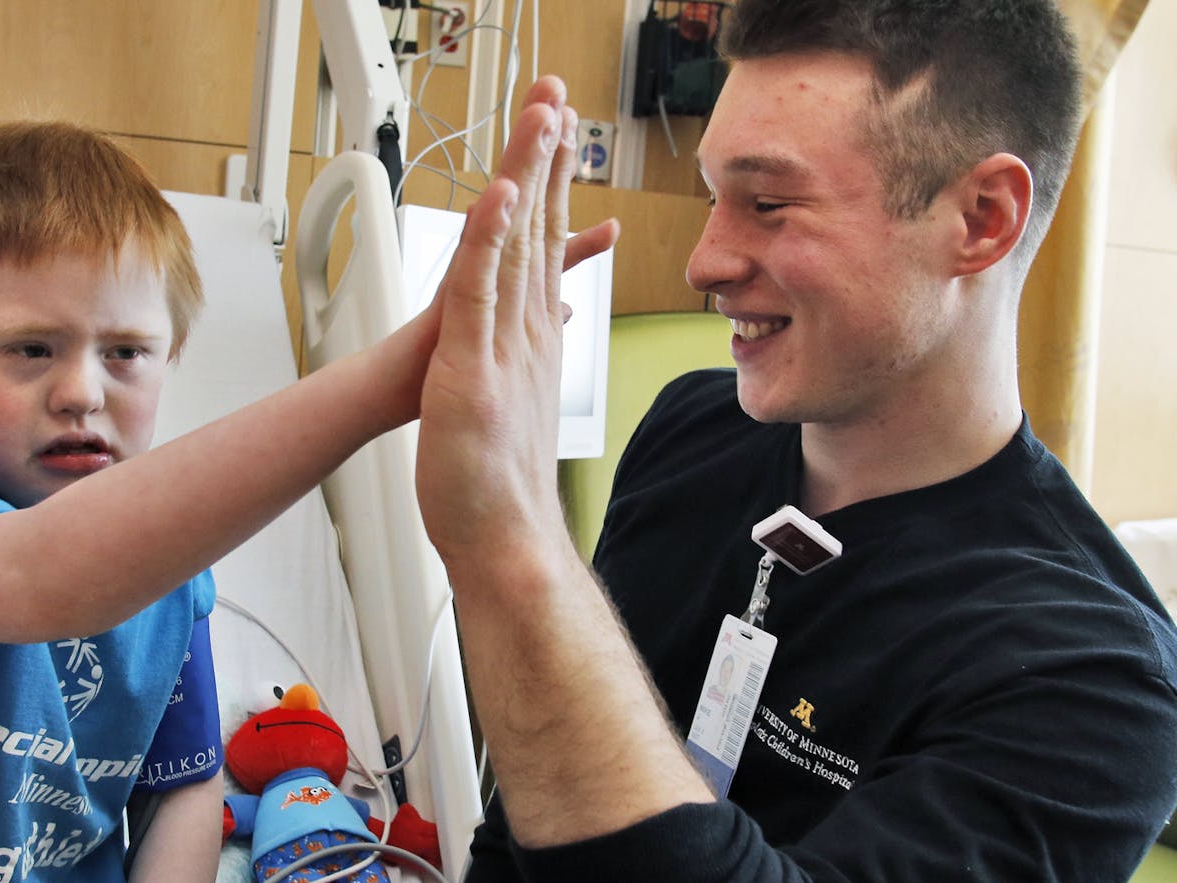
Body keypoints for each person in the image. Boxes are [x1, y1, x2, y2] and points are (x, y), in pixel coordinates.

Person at [411, 2, 1177, 881]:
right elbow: (529, 827)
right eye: (714, 195)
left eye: (769, 203)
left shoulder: (1095, 684)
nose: (704, 263)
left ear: (981, 218)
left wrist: (515, 543)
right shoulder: (691, 429)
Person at [0, 116, 608, 881]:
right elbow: (41, 579)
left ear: (173, 354)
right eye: (30, 349)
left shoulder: (171, 580)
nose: (82, 391)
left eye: (126, 351)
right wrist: (383, 383)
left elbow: (185, 791)